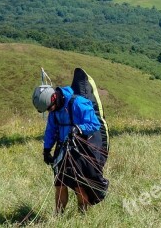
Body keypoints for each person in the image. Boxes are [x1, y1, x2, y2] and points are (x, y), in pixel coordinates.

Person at [33, 84, 109, 213]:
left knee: (79, 185)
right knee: (59, 184)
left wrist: (79, 128)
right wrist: (46, 150)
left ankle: (82, 216)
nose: (50, 111)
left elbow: (94, 124)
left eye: (50, 108)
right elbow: (50, 130)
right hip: (62, 148)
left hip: (79, 149)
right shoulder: (54, 109)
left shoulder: (78, 103)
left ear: (54, 98)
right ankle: (58, 217)